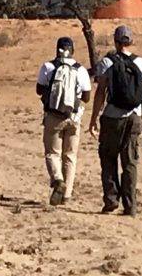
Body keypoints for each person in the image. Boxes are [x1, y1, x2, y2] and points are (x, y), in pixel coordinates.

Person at [89, 24, 142, 216]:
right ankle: (130, 205)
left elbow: (100, 93)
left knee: (108, 158)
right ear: (130, 41)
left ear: (116, 41)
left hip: (111, 118)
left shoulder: (106, 63)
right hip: (135, 118)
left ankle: (111, 200)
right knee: (130, 162)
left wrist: (93, 119)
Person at [36, 36, 92, 206]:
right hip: (74, 118)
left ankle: (58, 179)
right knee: (70, 156)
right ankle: (66, 195)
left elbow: (39, 90)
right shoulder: (80, 69)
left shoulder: (48, 67)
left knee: (53, 153)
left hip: (54, 116)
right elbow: (87, 97)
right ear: (72, 50)